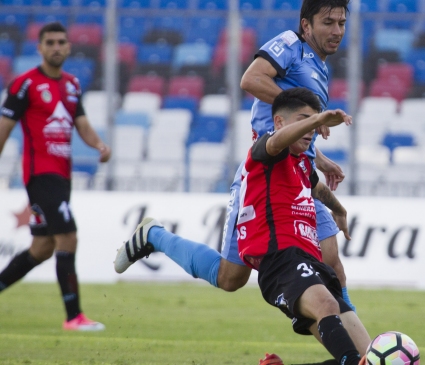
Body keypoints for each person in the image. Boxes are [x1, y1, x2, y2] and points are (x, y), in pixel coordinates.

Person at [114, 88, 371, 365]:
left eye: (313, 122)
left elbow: (316, 185)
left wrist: (339, 209)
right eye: (303, 120)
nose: (311, 130)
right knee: (326, 307)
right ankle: (155, 236)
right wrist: (317, 118)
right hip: (281, 261)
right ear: (280, 123)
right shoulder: (266, 150)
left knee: (364, 357)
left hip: (307, 263)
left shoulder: (300, 163)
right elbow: (271, 133)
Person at [214, 0, 356, 313]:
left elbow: (294, 126)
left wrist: (317, 156)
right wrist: (309, 117)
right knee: (231, 278)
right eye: (328, 22)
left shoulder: (319, 67)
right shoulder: (290, 45)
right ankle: (154, 236)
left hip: (299, 172)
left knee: (332, 260)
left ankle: (359, 354)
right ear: (306, 25)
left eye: (341, 24)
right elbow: (251, 79)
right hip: (265, 171)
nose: (337, 31)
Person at [0, 22, 110, 331]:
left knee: (42, 247)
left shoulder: (72, 84)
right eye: (50, 42)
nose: (56, 47)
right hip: (40, 175)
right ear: (40, 48)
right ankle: (74, 316)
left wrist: (99, 144)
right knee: (68, 237)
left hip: (62, 177)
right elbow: (5, 128)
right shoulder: (25, 85)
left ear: (69, 47)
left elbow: (82, 124)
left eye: (62, 42)